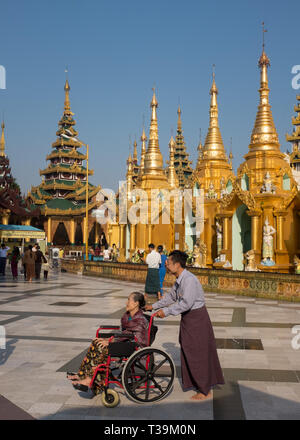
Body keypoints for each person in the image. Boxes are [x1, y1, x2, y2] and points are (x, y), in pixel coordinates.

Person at [145, 250, 224, 401]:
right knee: (188, 348)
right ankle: (197, 382)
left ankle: (205, 390)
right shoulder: (179, 280)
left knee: (197, 352)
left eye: (168, 262)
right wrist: (153, 306)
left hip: (197, 319)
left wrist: (166, 312)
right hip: (188, 319)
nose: (166, 264)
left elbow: (186, 303)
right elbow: (171, 297)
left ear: (177, 264)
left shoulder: (189, 280)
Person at [67, 292, 148, 394]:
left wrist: (109, 341)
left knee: (103, 348)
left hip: (134, 347)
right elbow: (122, 332)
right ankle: (82, 374)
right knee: (96, 343)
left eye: (129, 300)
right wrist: (107, 340)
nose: (126, 302)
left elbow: (128, 335)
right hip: (125, 342)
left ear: (136, 303)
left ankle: (89, 380)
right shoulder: (128, 316)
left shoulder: (140, 320)